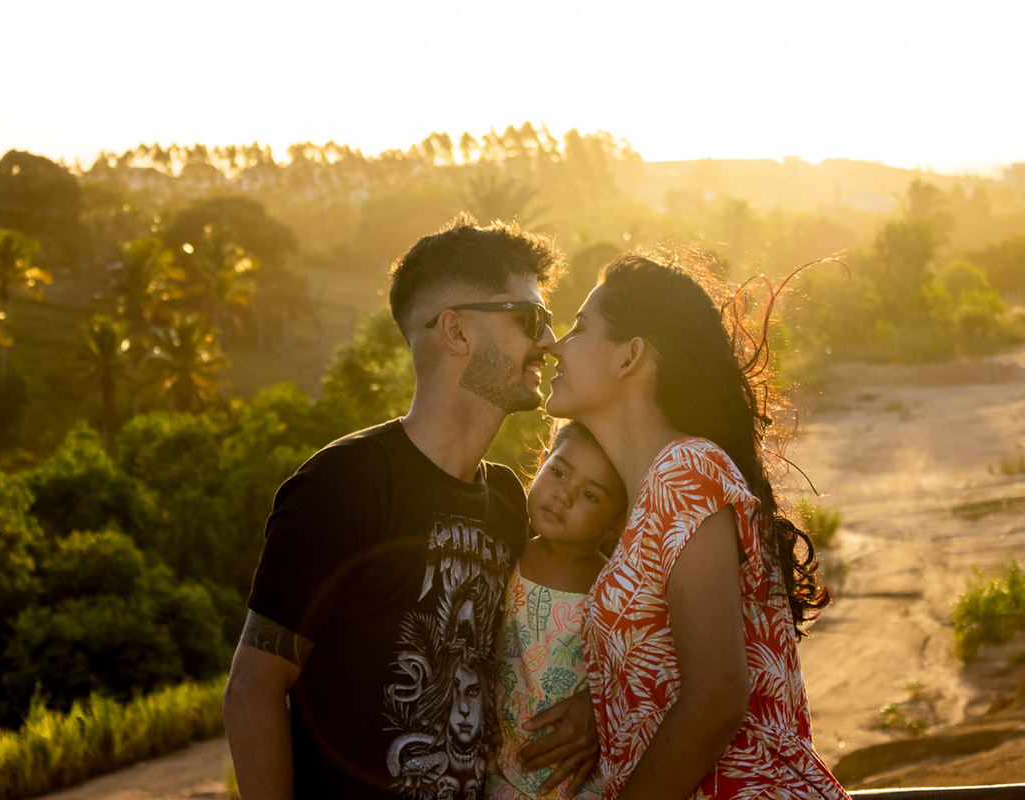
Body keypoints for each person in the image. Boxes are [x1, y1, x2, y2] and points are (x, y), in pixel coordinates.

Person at [222, 214, 594, 800]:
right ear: (456, 332)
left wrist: (597, 702)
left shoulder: (506, 502)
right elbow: (253, 689)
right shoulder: (345, 483)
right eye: (530, 318)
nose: (547, 341)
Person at [545, 249, 849, 799]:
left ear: (630, 356)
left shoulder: (687, 470)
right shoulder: (642, 501)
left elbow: (716, 698)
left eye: (579, 328)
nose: (554, 346)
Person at [486, 421, 627, 800]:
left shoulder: (616, 587)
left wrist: (598, 708)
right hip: (498, 769)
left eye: (590, 495)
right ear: (543, 462)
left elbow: (636, 675)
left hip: (581, 778)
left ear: (617, 523)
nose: (562, 496)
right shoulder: (502, 555)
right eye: (559, 472)